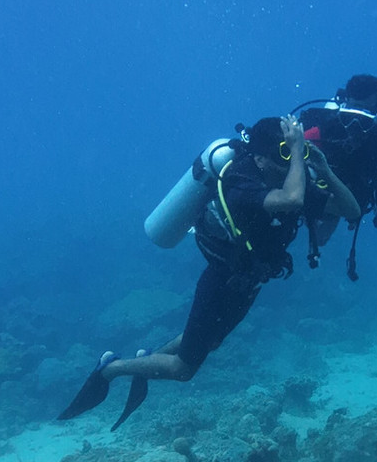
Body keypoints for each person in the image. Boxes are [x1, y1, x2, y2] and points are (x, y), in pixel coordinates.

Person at [58, 113, 360, 429]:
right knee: (183, 370)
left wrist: (324, 169)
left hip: (250, 282)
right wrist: (299, 153)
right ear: (258, 158)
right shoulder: (241, 182)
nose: (288, 164)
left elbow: (351, 211)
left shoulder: (290, 178)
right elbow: (292, 199)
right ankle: (111, 368)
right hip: (222, 279)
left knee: (208, 342)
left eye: (291, 154)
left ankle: (148, 357)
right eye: (281, 155)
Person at [297, 74, 377, 280]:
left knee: (323, 235)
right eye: (351, 113)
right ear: (344, 104)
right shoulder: (321, 132)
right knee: (318, 232)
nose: (355, 124)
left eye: (364, 116)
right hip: (318, 194)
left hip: (347, 203)